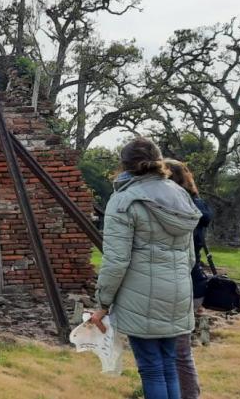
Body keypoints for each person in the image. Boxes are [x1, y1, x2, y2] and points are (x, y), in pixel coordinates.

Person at [91, 138, 201, 399]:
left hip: (140, 295)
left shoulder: (124, 200)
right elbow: (190, 258)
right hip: (178, 292)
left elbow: (116, 261)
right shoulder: (180, 194)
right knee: (169, 366)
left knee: (151, 368)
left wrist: (103, 302)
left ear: (125, 164)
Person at [165, 158, 212, 399]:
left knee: (175, 352)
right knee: (179, 351)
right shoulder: (198, 205)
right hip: (195, 284)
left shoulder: (179, 209)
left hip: (182, 284)